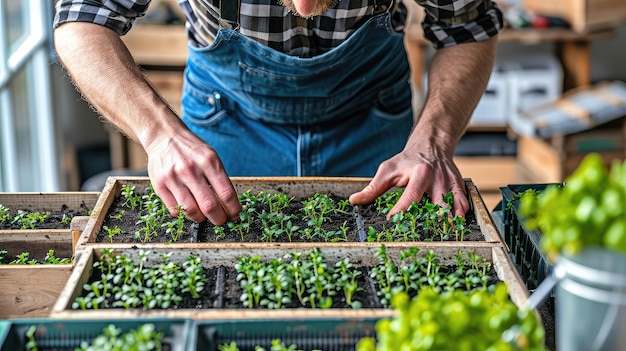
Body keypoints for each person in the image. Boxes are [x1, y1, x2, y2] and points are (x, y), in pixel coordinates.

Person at [53, 0, 503, 226]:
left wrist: (433, 141)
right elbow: (81, 22)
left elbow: (466, 29)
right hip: (226, 121)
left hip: (373, 121)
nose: (306, 7)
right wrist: (159, 135)